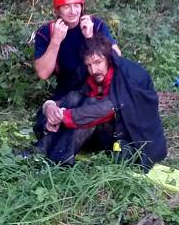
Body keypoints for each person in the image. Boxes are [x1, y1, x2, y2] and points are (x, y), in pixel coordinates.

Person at [34, 34, 167, 168]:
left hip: (123, 137)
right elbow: (71, 97)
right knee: (75, 98)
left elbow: (105, 110)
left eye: (98, 63)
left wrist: (63, 116)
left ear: (108, 60)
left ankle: (61, 160)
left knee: (90, 105)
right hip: (96, 134)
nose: (93, 70)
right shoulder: (91, 76)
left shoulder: (126, 77)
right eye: (89, 65)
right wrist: (51, 107)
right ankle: (40, 150)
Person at [34, 0, 119, 101]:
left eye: (76, 6)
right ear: (57, 10)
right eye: (66, 7)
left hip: (98, 85)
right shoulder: (46, 32)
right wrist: (55, 41)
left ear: (82, 7)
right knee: (57, 111)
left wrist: (90, 38)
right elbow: (43, 73)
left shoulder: (96, 25)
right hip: (67, 88)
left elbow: (117, 58)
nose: (73, 11)